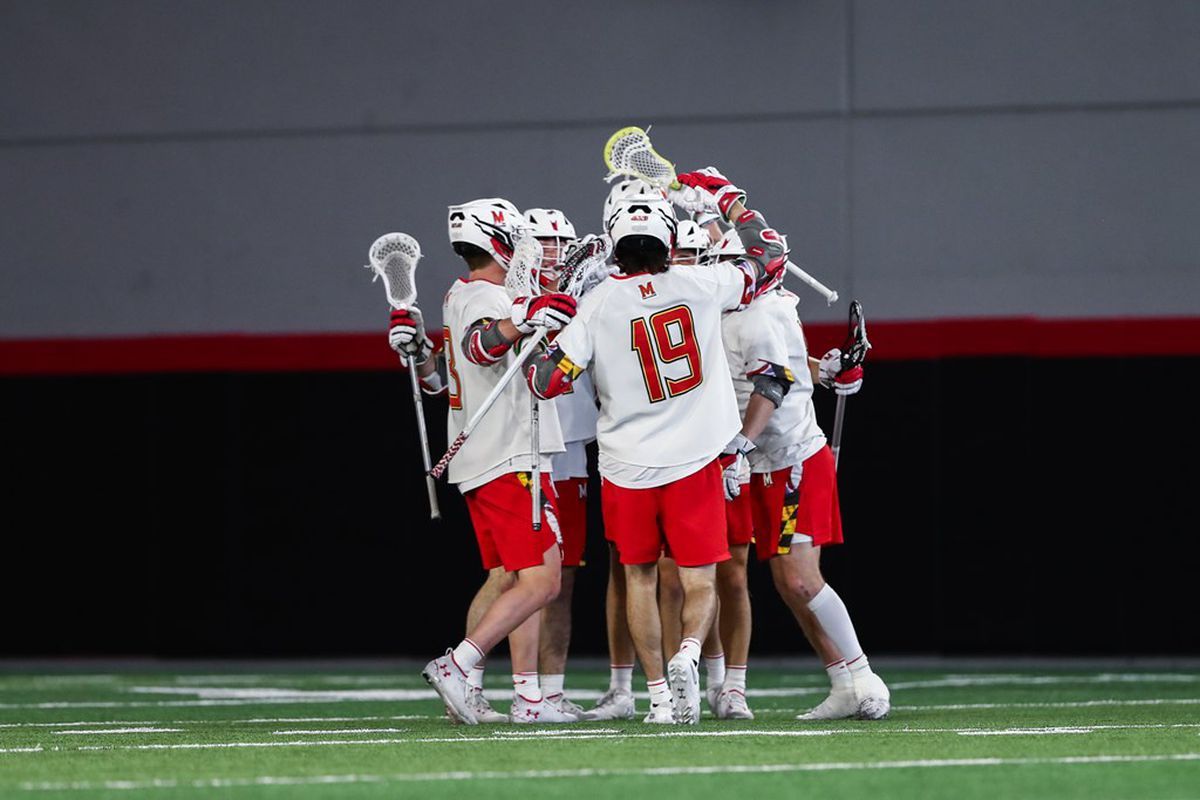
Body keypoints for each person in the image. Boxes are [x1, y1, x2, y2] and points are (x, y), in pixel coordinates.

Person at [528, 173, 786, 725]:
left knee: (639, 578)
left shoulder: (596, 304)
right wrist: (729, 199)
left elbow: (544, 382)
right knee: (699, 578)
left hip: (626, 466)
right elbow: (770, 256)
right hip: (696, 459)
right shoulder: (703, 284)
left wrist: (545, 327)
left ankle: (659, 701)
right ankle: (690, 654)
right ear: (669, 237)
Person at [419, 197, 580, 725]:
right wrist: (522, 318)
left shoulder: (464, 292)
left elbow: (447, 369)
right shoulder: (488, 295)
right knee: (543, 583)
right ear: (498, 240)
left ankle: (529, 698)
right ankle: (459, 664)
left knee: (517, 583)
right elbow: (482, 345)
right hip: (509, 455)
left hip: (491, 456)